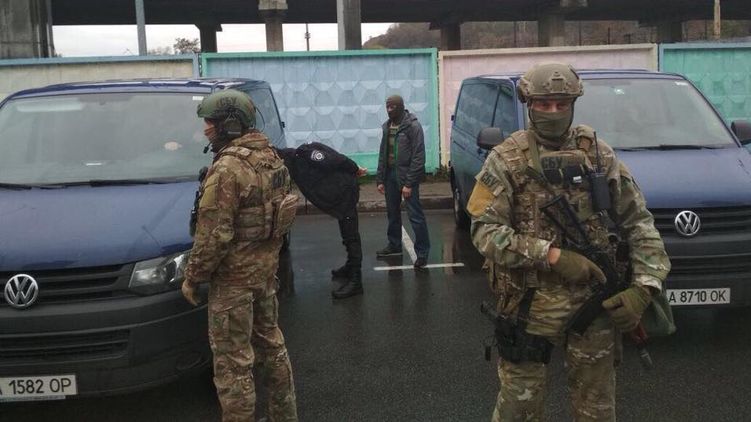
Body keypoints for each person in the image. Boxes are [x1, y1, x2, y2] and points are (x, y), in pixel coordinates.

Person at [466, 63, 670, 421]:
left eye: (562, 104)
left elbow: (640, 224)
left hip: (595, 303)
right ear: (528, 104)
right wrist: (551, 255)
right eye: (544, 104)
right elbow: (484, 231)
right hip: (529, 304)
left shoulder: (598, 156)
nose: (553, 112)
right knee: (519, 409)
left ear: (574, 104)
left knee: (596, 410)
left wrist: (643, 289)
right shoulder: (505, 160)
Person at [181, 89, 298, 422]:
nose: (206, 129)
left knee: (233, 365)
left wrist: (193, 277)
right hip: (265, 274)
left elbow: (214, 236)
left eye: (211, 122)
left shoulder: (228, 169)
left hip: (233, 283)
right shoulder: (271, 158)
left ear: (230, 125)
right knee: (272, 348)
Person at [277, 142, 368, 299]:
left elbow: (336, 159)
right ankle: (350, 267)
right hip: (337, 193)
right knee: (346, 233)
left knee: (351, 236)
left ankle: (356, 280)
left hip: (345, 190)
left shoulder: (305, 156)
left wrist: (355, 169)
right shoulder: (294, 165)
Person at [375, 94, 430, 268]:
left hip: (407, 176)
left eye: (392, 107)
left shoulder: (413, 126)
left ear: (400, 107)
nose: (389, 110)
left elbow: (419, 157)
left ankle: (422, 253)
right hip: (390, 176)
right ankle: (394, 245)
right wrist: (380, 179)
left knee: (415, 216)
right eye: (387, 107)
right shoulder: (387, 127)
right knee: (392, 213)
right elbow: (383, 154)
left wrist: (409, 183)